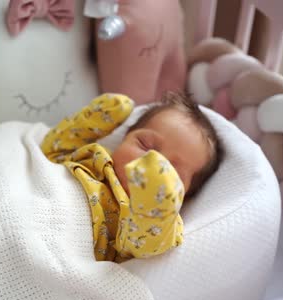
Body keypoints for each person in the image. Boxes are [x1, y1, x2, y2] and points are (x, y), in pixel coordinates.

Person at [41, 92, 224, 262]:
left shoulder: (142, 222)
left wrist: (158, 203)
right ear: (125, 138)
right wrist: (96, 119)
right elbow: (49, 153)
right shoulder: (94, 155)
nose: (149, 164)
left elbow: (146, 243)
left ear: (183, 197)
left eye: (169, 171)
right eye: (145, 145)